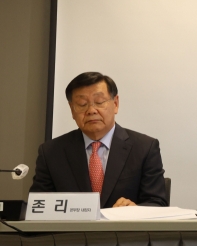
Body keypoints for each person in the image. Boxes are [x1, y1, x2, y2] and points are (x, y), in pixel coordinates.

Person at [30, 72, 167, 208]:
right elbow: (38, 206)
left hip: (123, 229)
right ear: (72, 109)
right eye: (82, 104)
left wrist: (134, 210)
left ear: (116, 104)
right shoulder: (51, 152)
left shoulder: (144, 148)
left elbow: (157, 202)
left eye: (99, 102)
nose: (91, 110)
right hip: (72, 230)